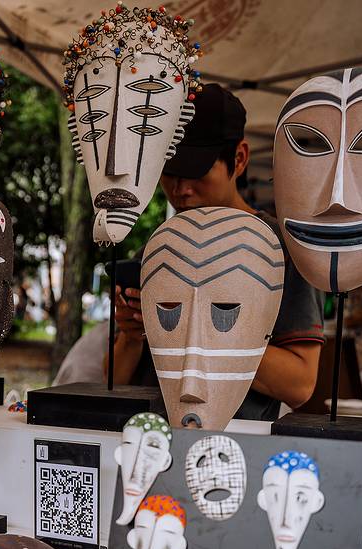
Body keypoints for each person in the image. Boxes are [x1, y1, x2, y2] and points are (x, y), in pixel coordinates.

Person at [111, 84, 325, 421]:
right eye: (168, 171)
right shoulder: (157, 250)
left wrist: (197, 328)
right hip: (151, 437)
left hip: (236, 443)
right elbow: (113, 380)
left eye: (196, 171)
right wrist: (131, 336)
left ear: (238, 159)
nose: (181, 189)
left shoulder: (283, 249)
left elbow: (299, 384)